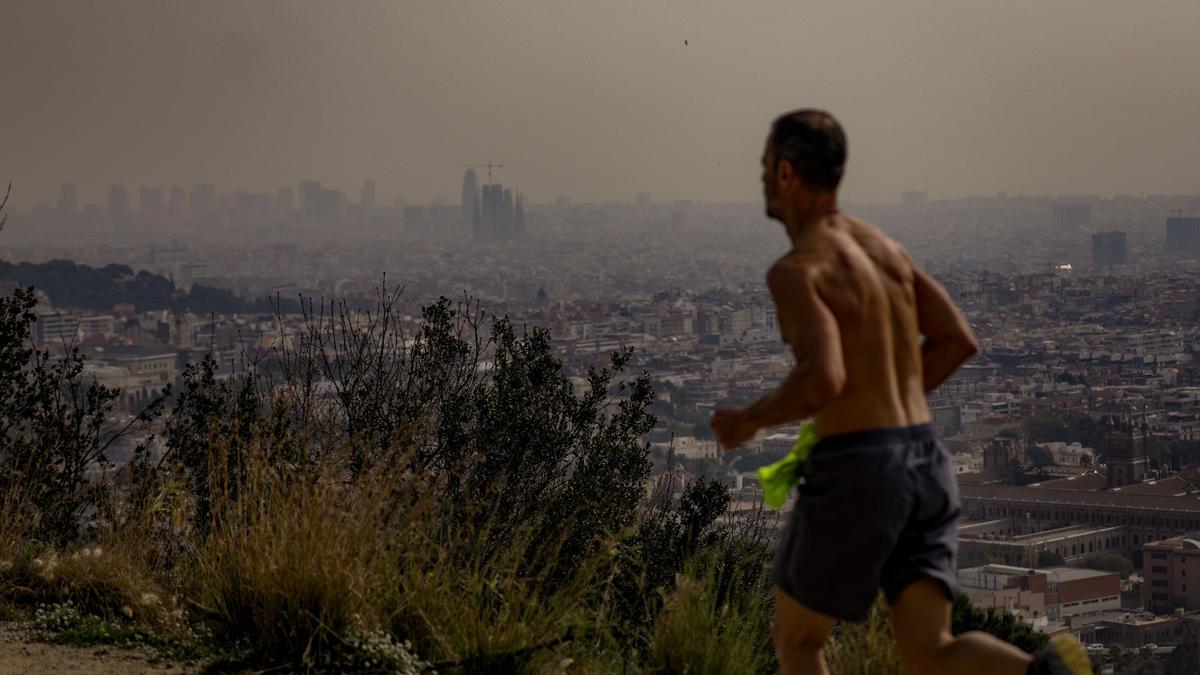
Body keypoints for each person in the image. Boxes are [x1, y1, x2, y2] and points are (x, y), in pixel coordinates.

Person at [710, 110, 1091, 675]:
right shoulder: (885, 248)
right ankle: (1044, 672)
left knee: (800, 642)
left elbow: (823, 379)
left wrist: (750, 419)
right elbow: (956, 340)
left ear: (788, 173)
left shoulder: (798, 270)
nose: (762, 178)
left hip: (858, 469)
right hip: (925, 460)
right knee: (929, 649)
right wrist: (887, 399)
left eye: (766, 166)